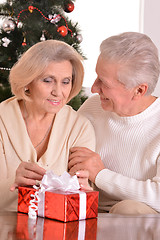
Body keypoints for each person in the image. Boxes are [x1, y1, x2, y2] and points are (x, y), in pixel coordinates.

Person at [68, 32, 160, 214]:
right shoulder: (93, 107)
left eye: (104, 83)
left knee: (128, 210)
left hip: (138, 221)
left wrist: (101, 175)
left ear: (139, 90)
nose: (94, 88)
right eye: (96, 77)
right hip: (87, 209)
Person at [0, 40, 95, 211]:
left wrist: (82, 192)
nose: (58, 92)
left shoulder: (79, 127)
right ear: (27, 82)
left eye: (65, 82)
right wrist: (12, 184)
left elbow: (78, 203)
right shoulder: (2, 119)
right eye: (48, 80)